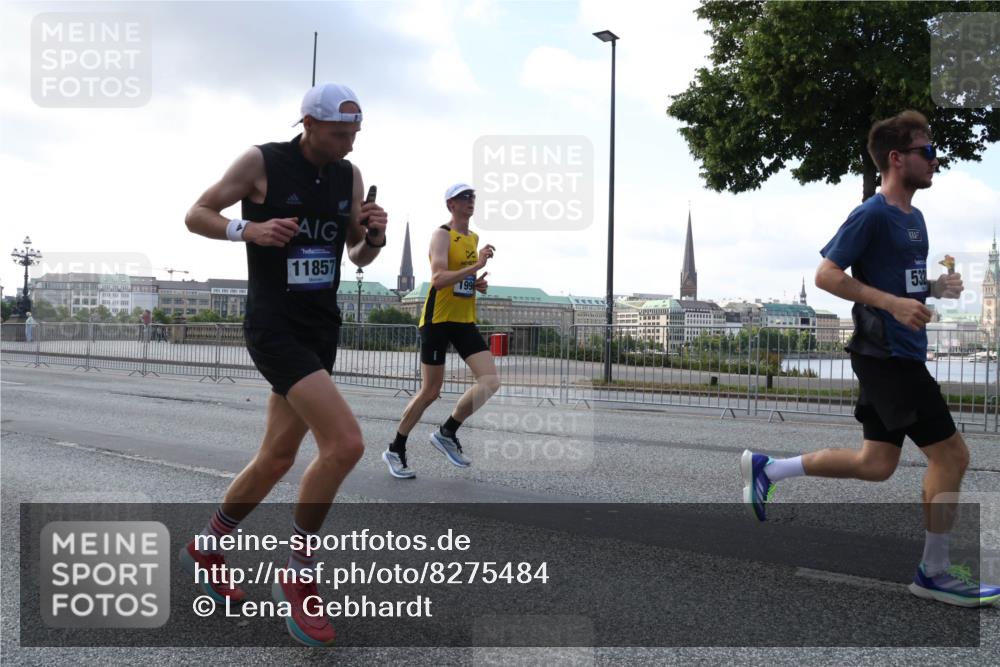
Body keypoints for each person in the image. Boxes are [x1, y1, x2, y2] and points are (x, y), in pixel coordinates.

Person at [741, 110, 999, 607]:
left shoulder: (915, 219)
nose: (936, 160)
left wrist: (931, 289)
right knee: (952, 455)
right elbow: (827, 275)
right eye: (927, 151)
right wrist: (892, 304)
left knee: (876, 463)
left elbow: (898, 283)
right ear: (897, 159)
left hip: (893, 353)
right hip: (887, 356)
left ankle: (768, 470)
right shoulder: (872, 213)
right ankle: (935, 572)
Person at [182, 82, 388, 645]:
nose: (348, 144)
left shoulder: (349, 175)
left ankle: (209, 542)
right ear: (308, 124)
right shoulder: (261, 162)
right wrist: (246, 229)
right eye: (339, 134)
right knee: (345, 445)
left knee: (275, 458)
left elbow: (356, 253)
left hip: (322, 326)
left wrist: (375, 235)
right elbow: (196, 213)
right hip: (274, 325)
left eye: (355, 135)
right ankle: (297, 573)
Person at [382, 183, 498, 478]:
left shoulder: (472, 238)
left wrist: (477, 283)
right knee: (430, 391)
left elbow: (461, 281)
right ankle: (396, 448)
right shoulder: (441, 235)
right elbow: (438, 279)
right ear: (451, 205)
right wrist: (474, 268)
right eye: (463, 197)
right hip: (437, 320)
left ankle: (447, 432)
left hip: (463, 320)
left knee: (490, 381)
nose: (470, 201)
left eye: (473, 196)